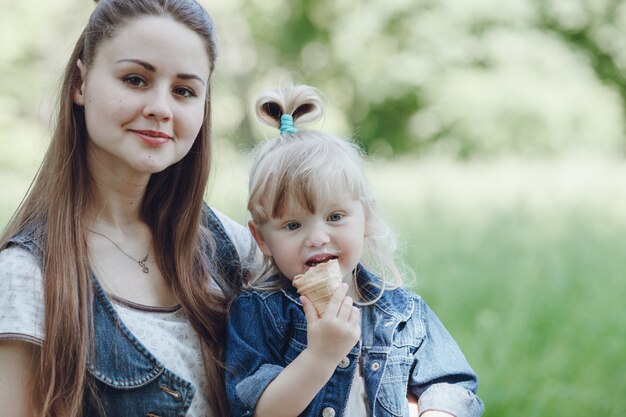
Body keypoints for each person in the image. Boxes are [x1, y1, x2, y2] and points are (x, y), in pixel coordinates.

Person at [0, 1, 258, 416]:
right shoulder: (27, 277)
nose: (161, 107)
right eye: (135, 79)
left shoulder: (234, 247)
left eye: (184, 90)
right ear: (80, 84)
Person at [225, 85, 485, 417]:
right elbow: (256, 409)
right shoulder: (258, 313)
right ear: (261, 239)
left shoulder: (401, 313)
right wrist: (320, 356)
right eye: (293, 225)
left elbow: (452, 385)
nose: (317, 237)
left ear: (366, 219)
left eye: (335, 217)